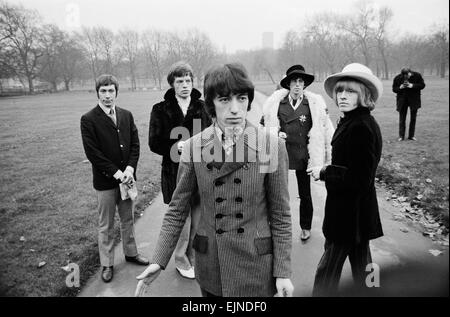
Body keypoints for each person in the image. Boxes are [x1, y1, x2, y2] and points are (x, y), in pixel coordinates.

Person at [136, 63, 293, 297]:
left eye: (241, 98)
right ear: (210, 104)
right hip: (212, 264)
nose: (235, 109)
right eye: (224, 100)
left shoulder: (270, 145)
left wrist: (283, 272)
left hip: (256, 265)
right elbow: (177, 209)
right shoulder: (193, 147)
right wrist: (159, 260)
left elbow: (280, 214)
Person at [307, 63, 384, 296]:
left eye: (350, 91)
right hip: (357, 214)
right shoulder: (354, 120)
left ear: (364, 95)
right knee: (365, 270)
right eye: (340, 91)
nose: (342, 96)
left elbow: (360, 178)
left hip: (348, 216)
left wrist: (324, 172)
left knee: (326, 273)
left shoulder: (360, 126)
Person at [80, 74, 149, 283]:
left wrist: (129, 168)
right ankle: (107, 263)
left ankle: (131, 253)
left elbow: (135, 145)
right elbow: (93, 153)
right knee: (106, 224)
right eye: (103, 91)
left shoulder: (126, 115)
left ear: (116, 92)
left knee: (128, 219)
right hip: (106, 183)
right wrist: (116, 173)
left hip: (127, 179)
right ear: (98, 93)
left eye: (111, 91)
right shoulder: (88, 119)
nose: (108, 95)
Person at [148, 61, 211, 279]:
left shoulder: (203, 107)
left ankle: (194, 258)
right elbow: (154, 142)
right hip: (174, 172)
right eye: (179, 81)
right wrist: (176, 147)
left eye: (188, 80)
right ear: (172, 84)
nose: (185, 85)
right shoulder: (160, 109)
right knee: (181, 219)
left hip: (201, 170)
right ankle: (180, 260)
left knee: (199, 218)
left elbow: (213, 135)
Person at [261, 65, 334, 241]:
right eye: (294, 81)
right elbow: (264, 126)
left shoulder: (313, 104)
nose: (297, 85)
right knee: (278, 193)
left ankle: (306, 226)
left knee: (305, 194)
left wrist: (329, 153)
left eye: (301, 82)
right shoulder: (276, 103)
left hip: (303, 156)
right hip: (283, 154)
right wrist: (276, 134)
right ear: (288, 84)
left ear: (304, 85)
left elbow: (325, 129)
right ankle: (277, 227)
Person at [392, 67, 425, 141]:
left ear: (410, 73)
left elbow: (422, 85)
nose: (406, 77)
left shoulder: (417, 75)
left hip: (414, 100)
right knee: (402, 119)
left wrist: (412, 85)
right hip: (402, 101)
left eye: (408, 75)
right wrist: (400, 87)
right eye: (404, 76)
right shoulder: (397, 78)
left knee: (413, 118)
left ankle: (411, 136)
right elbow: (394, 89)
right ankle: (401, 136)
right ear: (402, 75)